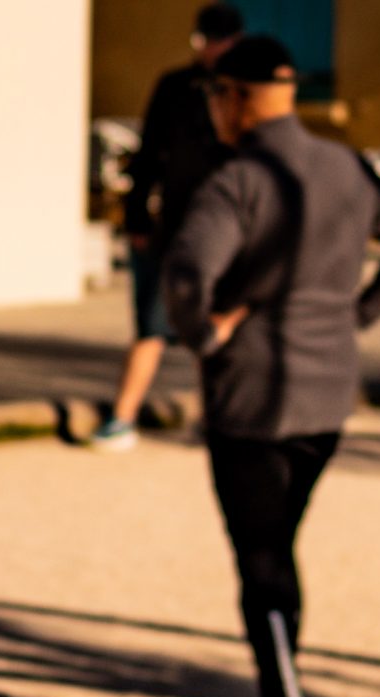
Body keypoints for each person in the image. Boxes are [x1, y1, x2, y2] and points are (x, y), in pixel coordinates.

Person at [161, 35, 380, 697]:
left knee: (260, 562)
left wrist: (203, 335)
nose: (214, 110)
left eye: (216, 95)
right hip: (327, 395)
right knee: (279, 551)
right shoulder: (344, 168)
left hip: (253, 396)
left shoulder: (239, 182)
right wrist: (362, 312)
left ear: (237, 98)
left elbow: (188, 272)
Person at [94, 4, 243, 452]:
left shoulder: (243, 92)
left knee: (214, 331)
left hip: (226, 234)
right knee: (151, 328)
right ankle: (122, 418)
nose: (209, 50)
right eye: (204, 41)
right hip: (171, 229)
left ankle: (221, 419)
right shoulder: (175, 88)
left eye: (218, 41)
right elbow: (148, 156)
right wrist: (137, 218)